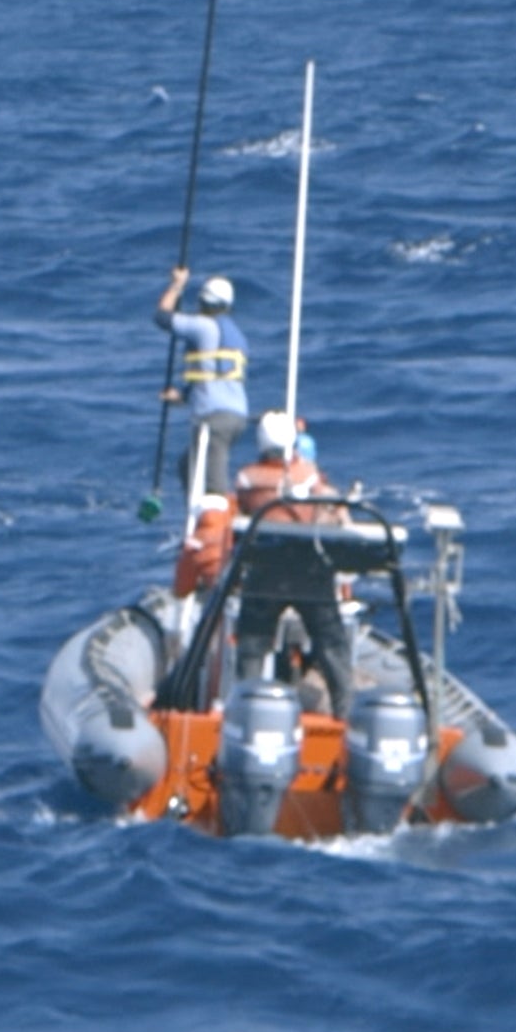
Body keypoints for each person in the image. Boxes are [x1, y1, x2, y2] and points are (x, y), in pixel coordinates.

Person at [232, 410, 354, 718]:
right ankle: (346, 714)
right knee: (332, 646)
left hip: (264, 575)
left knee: (252, 646)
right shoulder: (310, 477)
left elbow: (238, 515)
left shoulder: (247, 480)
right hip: (311, 575)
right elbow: (333, 509)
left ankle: (246, 712)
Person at [154, 265, 248, 499]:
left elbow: (162, 317)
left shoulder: (203, 326)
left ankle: (215, 526)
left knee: (212, 482)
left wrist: (177, 285)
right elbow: (215, 375)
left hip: (214, 418)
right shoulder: (237, 336)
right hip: (236, 415)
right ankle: (199, 518)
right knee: (189, 466)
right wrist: (182, 397)